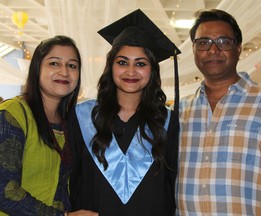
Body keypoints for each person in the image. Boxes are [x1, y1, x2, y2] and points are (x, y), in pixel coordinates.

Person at [176, 9, 261, 215]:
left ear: (238, 48)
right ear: (193, 49)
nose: (212, 50)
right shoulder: (180, 112)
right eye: (203, 43)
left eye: (223, 42)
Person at [69, 9, 181, 216]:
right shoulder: (82, 116)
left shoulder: (167, 120)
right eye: (122, 62)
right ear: (110, 66)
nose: (131, 71)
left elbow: (172, 184)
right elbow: (69, 177)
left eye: (140, 63)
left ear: (152, 70)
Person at [0, 35, 97, 216]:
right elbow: (4, 192)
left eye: (72, 65)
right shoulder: (13, 114)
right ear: (37, 69)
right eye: (54, 63)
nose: (64, 71)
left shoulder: (69, 121)